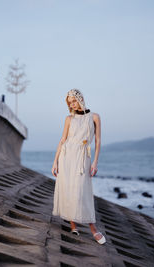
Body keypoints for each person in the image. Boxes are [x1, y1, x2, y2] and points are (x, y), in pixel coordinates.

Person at [51, 89, 106, 245]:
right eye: (69, 102)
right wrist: (55, 161)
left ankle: (93, 228)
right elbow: (63, 140)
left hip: (83, 157)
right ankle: (73, 225)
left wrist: (95, 162)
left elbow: (98, 141)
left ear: (80, 98)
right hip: (67, 156)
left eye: (73, 101)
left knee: (82, 191)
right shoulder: (69, 118)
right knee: (68, 189)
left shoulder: (94, 117)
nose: (72, 104)